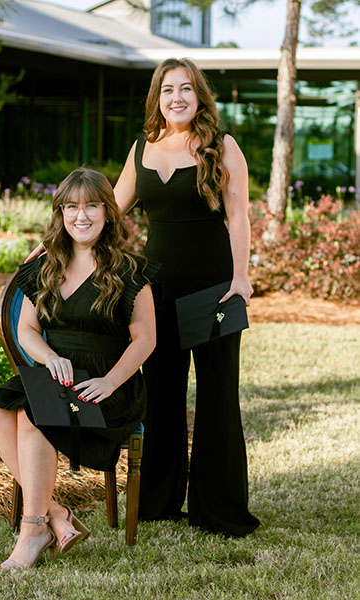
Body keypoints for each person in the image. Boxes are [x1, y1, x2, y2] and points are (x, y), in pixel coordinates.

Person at [0, 168, 157, 569]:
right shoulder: (44, 266)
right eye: (72, 207)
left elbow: (146, 339)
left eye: (92, 206)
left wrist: (110, 381)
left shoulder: (129, 271)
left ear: (108, 213)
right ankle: (54, 515)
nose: (82, 216)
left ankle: (32, 530)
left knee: (30, 413)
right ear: (61, 213)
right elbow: (25, 329)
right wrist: (49, 357)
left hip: (105, 384)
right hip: (55, 374)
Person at [112, 57, 260, 536]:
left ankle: (218, 510)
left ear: (199, 96)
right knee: (163, 395)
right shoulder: (142, 149)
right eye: (167, 90)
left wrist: (241, 278)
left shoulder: (222, 145)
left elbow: (238, 216)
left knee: (218, 396)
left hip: (214, 288)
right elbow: (109, 212)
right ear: (157, 97)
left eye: (185, 89)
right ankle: (156, 502)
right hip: (156, 290)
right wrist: (50, 244)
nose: (176, 98)